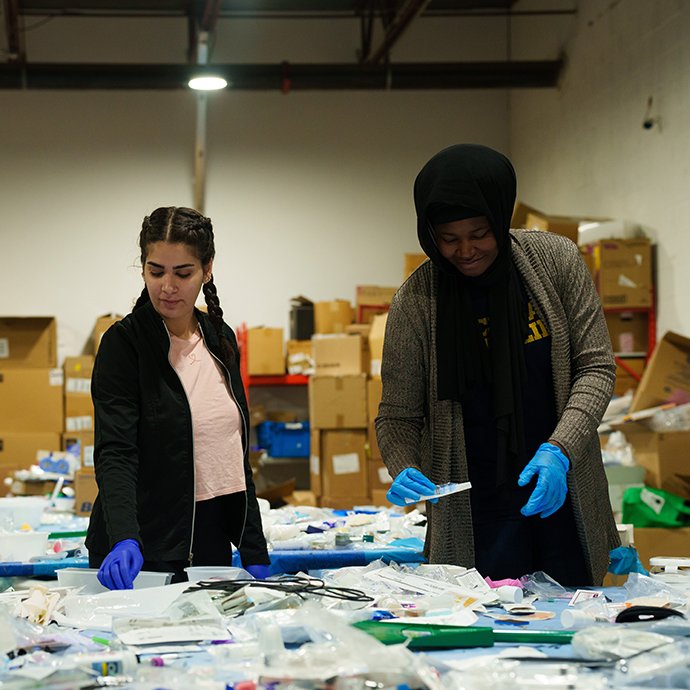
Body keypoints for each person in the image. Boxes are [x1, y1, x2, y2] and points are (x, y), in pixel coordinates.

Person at [375, 144, 621, 586]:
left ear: (501, 218)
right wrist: (402, 463)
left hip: (561, 490)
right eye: (448, 239)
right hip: (473, 507)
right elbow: (398, 415)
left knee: (573, 616)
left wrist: (559, 450)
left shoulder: (557, 262)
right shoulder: (415, 301)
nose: (466, 250)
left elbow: (596, 368)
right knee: (481, 626)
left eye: (479, 233)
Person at [85, 206, 270, 589]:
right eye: (156, 271)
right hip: (139, 549)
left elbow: (235, 453)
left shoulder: (221, 338)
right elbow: (115, 451)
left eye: (183, 273)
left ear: (207, 269)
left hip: (210, 547)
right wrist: (123, 536)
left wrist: (254, 549)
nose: (167, 286)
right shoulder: (124, 345)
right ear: (143, 269)